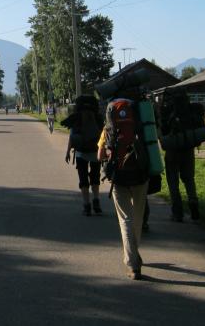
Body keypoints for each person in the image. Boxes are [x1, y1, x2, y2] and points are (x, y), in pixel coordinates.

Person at [98, 104, 148, 281]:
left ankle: (133, 264)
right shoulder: (141, 124)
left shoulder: (108, 128)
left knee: (125, 220)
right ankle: (135, 253)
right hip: (141, 175)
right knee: (138, 217)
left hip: (119, 178)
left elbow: (99, 156)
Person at [64, 97, 103, 216]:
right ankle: (96, 201)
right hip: (96, 152)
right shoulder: (97, 118)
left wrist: (67, 152)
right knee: (95, 178)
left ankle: (87, 206)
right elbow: (103, 135)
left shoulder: (76, 118)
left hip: (81, 153)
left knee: (83, 179)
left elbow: (72, 136)